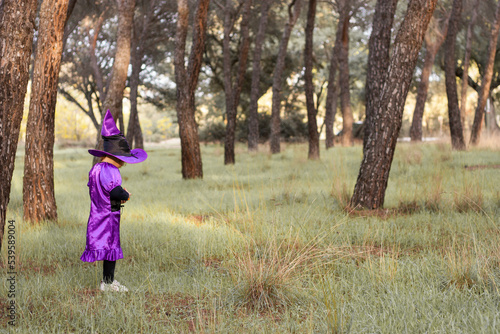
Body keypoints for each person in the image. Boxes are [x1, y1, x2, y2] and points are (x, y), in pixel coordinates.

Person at [81, 110, 147, 292]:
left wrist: (115, 196)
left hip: (97, 213)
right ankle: (108, 284)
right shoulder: (111, 170)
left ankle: (107, 282)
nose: (124, 164)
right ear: (117, 157)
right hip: (109, 217)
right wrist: (125, 195)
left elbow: (99, 190)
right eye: (124, 160)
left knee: (106, 248)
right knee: (111, 248)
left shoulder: (96, 168)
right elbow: (115, 190)